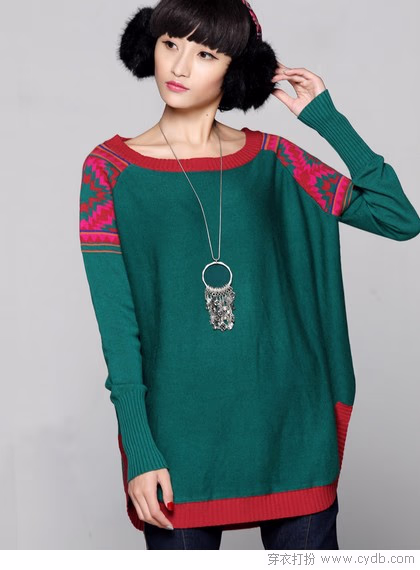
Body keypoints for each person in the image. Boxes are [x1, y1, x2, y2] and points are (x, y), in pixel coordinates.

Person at [78, 0, 420, 550]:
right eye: (170, 44)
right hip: (179, 445)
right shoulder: (109, 171)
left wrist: (327, 120)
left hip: (292, 435)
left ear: (236, 69)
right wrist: (139, 448)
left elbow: (398, 218)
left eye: (205, 54)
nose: (179, 66)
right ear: (148, 46)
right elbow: (118, 326)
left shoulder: (277, 160)